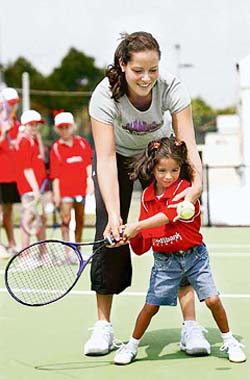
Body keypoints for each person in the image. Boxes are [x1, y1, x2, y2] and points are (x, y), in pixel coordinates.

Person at [84, 31, 206, 356]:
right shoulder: (104, 96)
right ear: (123, 65)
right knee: (108, 234)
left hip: (160, 155)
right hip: (119, 158)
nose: (147, 78)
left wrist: (196, 186)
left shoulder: (172, 88)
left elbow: (188, 144)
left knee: (181, 232)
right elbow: (107, 159)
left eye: (153, 70)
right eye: (138, 70)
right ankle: (103, 327)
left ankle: (191, 327)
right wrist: (114, 214)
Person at [113, 136, 246, 365]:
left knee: (212, 299)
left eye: (174, 170)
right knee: (151, 306)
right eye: (162, 170)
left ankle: (229, 340)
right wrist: (129, 237)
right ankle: (132, 345)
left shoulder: (184, 189)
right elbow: (144, 240)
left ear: (181, 169)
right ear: (152, 168)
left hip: (195, 257)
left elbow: (168, 215)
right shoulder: (146, 197)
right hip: (165, 262)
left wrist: (138, 226)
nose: (168, 176)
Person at [50, 112, 93, 243]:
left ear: (72, 127)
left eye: (67, 127)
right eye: (61, 127)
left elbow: (88, 165)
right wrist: (56, 194)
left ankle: (77, 247)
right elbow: (55, 175)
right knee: (66, 219)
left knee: (80, 219)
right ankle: (68, 249)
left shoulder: (82, 143)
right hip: (65, 192)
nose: (64, 130)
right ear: (57, 129)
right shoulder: (56, 148)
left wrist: (90, 181)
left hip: (81, 189)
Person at [15, 110, 47, 249]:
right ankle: (25, 254)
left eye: (37, 124)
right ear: (25, 125)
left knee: (40, 219)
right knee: (28, 219)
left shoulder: (32, 140)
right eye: (31, 124)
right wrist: (35, 190)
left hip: (37, 187)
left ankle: (43, 253)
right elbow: (27, 169)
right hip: (30, 188)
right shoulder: (24, 141)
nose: (35, 127)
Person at [0, 87, 21, 256]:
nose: (14, 107)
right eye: (11, 104)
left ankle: (12, 243)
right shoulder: (3, 125)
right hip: (1, 176)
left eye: (15, 104)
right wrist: (3, 133)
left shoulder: (18, 125)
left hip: (13, 177)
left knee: (8, 211)